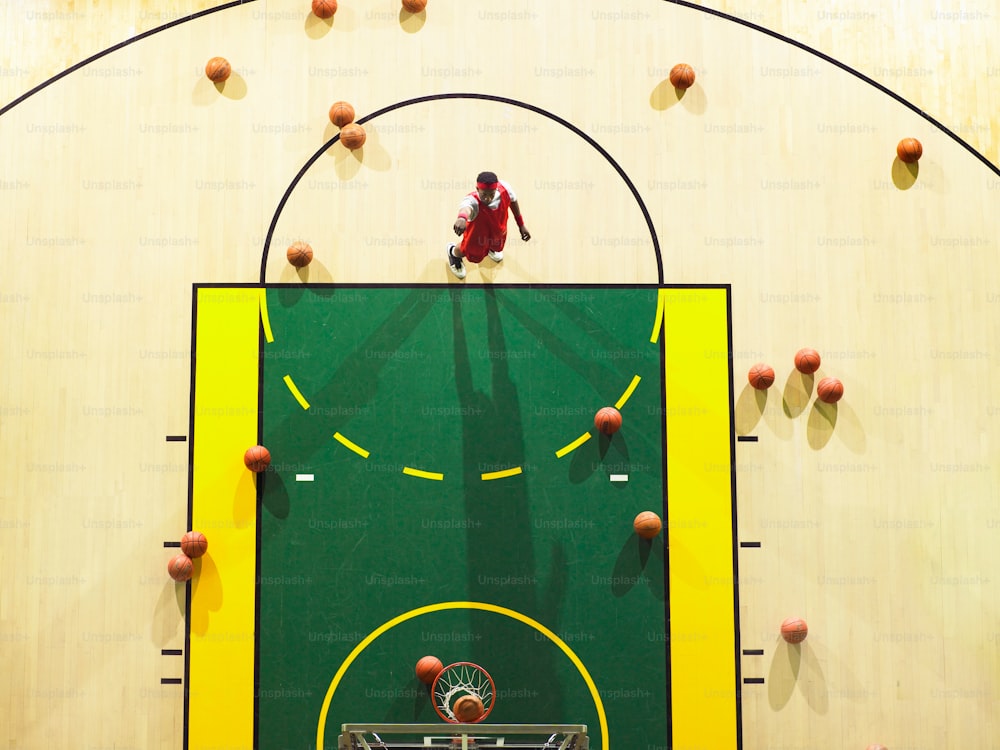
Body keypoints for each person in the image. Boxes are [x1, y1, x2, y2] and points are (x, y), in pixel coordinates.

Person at [447, 171, 530, 279]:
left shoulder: (505, 188)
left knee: (497, 246)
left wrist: (521, 225)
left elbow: (513, 201)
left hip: (497, 231)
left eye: (491, 194)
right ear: (477, 189)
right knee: (464, 251)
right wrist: (462, 218)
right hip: (477, 236)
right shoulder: (472, 201)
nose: (488, 198)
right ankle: (452, 253)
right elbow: (466, 208)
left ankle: (490, 248)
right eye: (484, 194)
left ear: (496, 189)